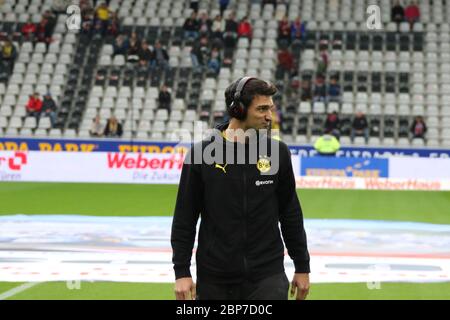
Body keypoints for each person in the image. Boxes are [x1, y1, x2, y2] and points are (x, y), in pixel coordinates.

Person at [171, 77, 310, 300]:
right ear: (238, 109)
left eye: (270, 109)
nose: (269, 116)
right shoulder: (201, 154)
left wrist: (302, 266)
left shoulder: (278, 152)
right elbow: (185, 217)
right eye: (262, 109)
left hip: (267, 276)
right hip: (214, 277)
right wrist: (181, 271)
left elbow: (290, 212)